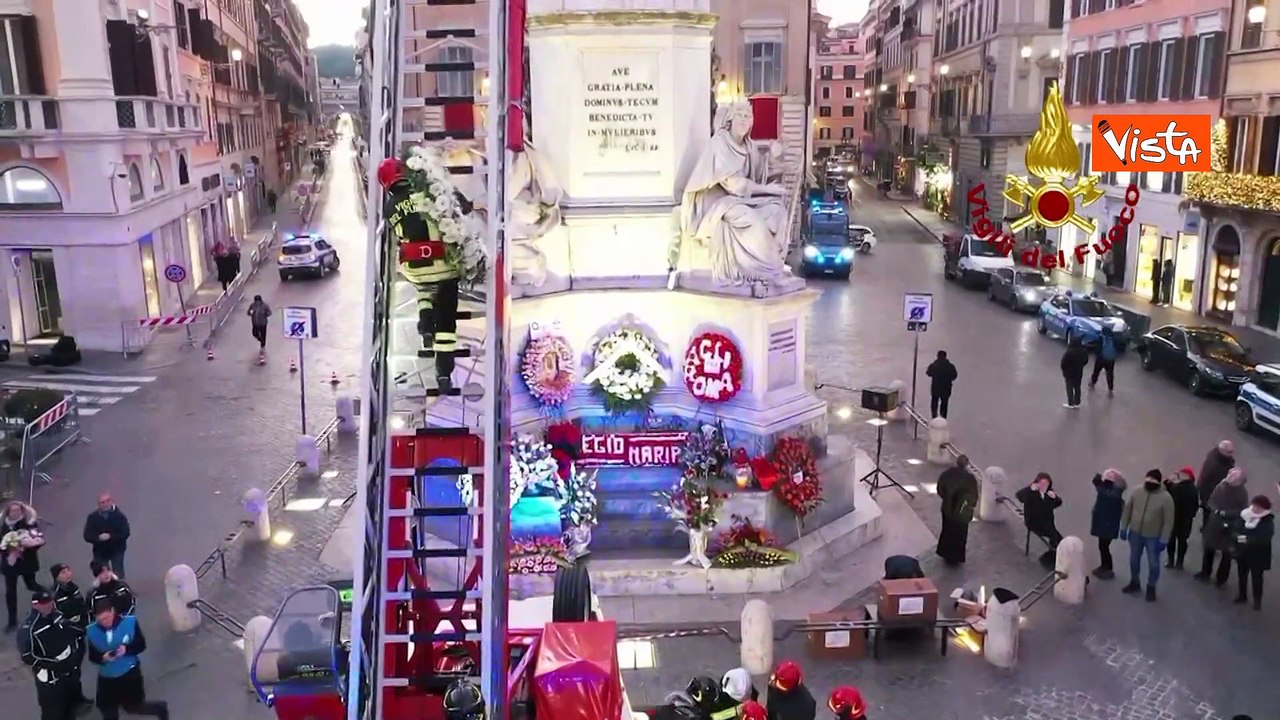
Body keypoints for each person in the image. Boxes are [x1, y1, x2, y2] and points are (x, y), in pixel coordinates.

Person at [85, 598, 169, 720]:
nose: (105, 622)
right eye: (101, 620)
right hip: (107, 678)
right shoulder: (92, 631)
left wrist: (126, 650)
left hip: (129, 674)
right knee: (108, 711)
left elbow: (141, 645)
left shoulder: (130, 623)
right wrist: (103, 657)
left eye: (107, 618)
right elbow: (93, 657)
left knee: (133, 706)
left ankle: (161, 709)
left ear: (113, 611)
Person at [18, 590, 82, 720]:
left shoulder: (57, 616)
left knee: (70, 708)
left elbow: (72, 633)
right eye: (43, 603)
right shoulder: (29, 629)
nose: (48, 605)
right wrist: (54, 665)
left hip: (68, 671)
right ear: (35, 605)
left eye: (49, 602)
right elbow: (27, 656)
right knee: (53, 712)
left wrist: (73, 653)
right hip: (50, 679)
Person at [1119, 469, 1175, 601]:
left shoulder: (1166, 499)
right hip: (1135, 533)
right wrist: (1123, 527)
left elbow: (1168, 521)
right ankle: (1134, 582)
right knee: (1133, 560)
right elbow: (1128, 510)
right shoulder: (1137, 492)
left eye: (1152, 482)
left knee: (1153, 563)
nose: (1149, 484)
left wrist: (1164, 539)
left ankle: (1151, 587)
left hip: (1153, 536)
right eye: (1147, 481)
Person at [1196, 467, 1250, 586]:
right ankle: (1205, 572)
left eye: (1234, 475)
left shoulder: (1242, 493)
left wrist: (1226, 513)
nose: (1230, 476)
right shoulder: (1221, 486)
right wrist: (1215, 510)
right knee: (1209, 548)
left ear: (1240, 481)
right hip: (1215, 522)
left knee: (1227, 553)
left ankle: (1221, 578)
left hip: (1230, 525)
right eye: (1230, 473)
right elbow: (1211, 501)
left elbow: (1243, 510)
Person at [50, 563, 91, 707]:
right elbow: (58, 619)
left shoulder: (74, 588)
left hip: (80, 633)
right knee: (69, 670)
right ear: (56, 577)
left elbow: (82, 608)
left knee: (76, 668)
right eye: (62, 572)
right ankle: (69, 701)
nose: (67, 574)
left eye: (68, 570)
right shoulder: (55, 595)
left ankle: (78, 697)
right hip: (68, 637)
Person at [3, 500, 45, 630]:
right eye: (12, 510)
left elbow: (39, 540)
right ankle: (12, 620)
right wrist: (7, 548)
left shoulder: (29, 524)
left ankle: (48, 595)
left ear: (22, 511)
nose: (15, 513)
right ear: (8, 512)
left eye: (18, 510)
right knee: (10, 591)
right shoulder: (3, 525)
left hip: (27, 562)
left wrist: (26, 547)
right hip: (10, 563)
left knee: (31, 584)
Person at [935, 455, 978, 565]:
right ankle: (956, 556)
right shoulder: (970, 479)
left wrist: (946, 498)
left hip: (947, 509)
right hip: (962, 512)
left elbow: (940, 489)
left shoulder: (947, 474)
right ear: (967, 464)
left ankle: (945, 553)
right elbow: (974, 496)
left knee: (947, 531)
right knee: (960, 534)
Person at [1233, 495, 1274, 610]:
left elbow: (1264, 538)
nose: (1255, 509)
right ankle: (1242, 595)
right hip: (1243, 551)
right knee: (1242, 574)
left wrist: (1246, 539)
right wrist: (1240, 538)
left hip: (1258, 554)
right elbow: (1236, 530)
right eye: (1254, 505)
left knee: (1257, 577)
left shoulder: (1267, 520)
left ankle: (1257, 601)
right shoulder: (1245, 515)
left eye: (1259, 507)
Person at [1089, 469, 1127, 580]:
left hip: (1107, 524)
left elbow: (1104, 493)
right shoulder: (1114, 491)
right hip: (1106, 524)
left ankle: (1107, 568)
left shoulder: (1112, 493)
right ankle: (1105, 566)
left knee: (1104, 546)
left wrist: (1099, 483)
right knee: (1103, 546)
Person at [1016, 473, 1063, 562]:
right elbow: (1019, 496)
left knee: (1057, 538)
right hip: (1034, 523)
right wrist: (1030, 489)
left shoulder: (1048, 492)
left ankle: (1053, 554)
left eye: (1046, 484)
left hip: (1047, 523)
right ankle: (1053, 555)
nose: (1044, 486)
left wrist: (1055, 498)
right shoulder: (1031, 492)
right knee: (1055, 537)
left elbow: (1057, 503)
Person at [83, 494, 130, 579]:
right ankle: (105, 589)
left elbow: (125, 533)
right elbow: (87, 535)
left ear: (111, 501)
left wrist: (111, 537)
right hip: (100, 551)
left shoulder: (120, 516)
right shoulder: (93, 517)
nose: (105, 504)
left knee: (118, 572)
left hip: (117, 549)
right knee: (102, 573)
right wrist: (98, 538)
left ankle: (119, 588)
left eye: (107, 501)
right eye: (102, 502)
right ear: (98, 504)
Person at [1164, 467, 1200, 570]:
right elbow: (1196, 505)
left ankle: (1172, 561)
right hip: (1184, 520)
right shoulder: (1190, 488)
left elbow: (1166, 491)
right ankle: (1179, 562)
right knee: (1181, 541)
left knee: (1174, 541)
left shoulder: (1179, 487)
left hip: (1176, 518)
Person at [1197, 440, 1235, 527]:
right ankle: (1206, 526)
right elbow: (1203, 479)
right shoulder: (1213, 464)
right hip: (1211, 492)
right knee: (1209, 511)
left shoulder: (1224, 459)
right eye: (1229, 452)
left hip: (1219, 490)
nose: (1232, 453)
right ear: (1222, 451)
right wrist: (1202, 495)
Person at [925, 350, 958, 419]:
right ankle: (943, 418)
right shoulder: (950, 366)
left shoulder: (934, 365)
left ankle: (934, 416)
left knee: (934, 402)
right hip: (946, 388)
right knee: (944, 403)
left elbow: (928, 373)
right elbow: (954, 376)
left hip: (935, 387)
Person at [1088, 326, 1119, 395]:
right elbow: (1117, 348)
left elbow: (1095, 347)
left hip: (1101, 359)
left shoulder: (1100, 338)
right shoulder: (1113, 339)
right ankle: (1110, 388)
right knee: (1110, 373)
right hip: (1110, 359)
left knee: (1096, 371)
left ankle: (1093, 383)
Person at [1060, 338, 1089, 409]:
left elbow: (1063, 362)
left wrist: (1064, 370)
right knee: (1077, 387)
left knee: (1069, 387)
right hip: (1079, 372)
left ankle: (1070, 403)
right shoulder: (1083, 351)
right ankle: (1077, 402)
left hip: (1069, 373)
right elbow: (1086, 361)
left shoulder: (1069, 352)